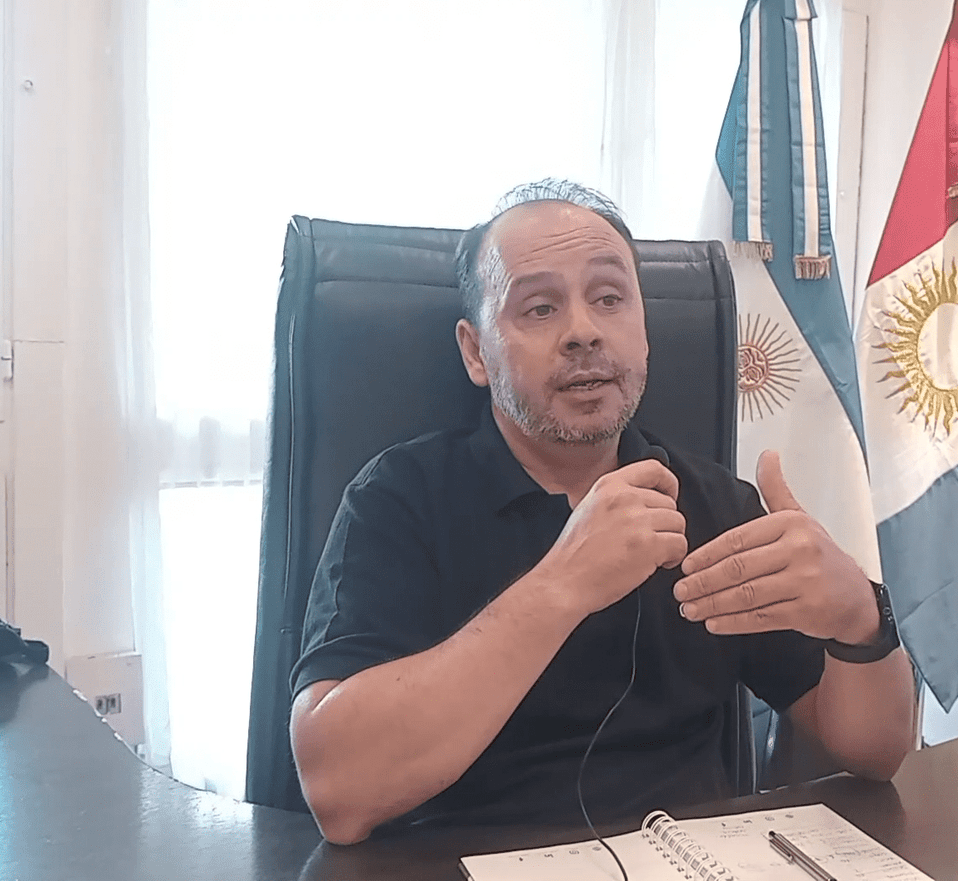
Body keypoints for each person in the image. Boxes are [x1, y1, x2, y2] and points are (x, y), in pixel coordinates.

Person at [290, 180, 915, 845]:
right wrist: (564, 584)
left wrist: (860, 620)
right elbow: (339, 791)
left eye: (610, 299)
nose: (583, 332)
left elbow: (875, 752)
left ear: (644, 329)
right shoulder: (397, 499)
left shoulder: (715, 506)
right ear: (476, 352)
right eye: (539, 308)